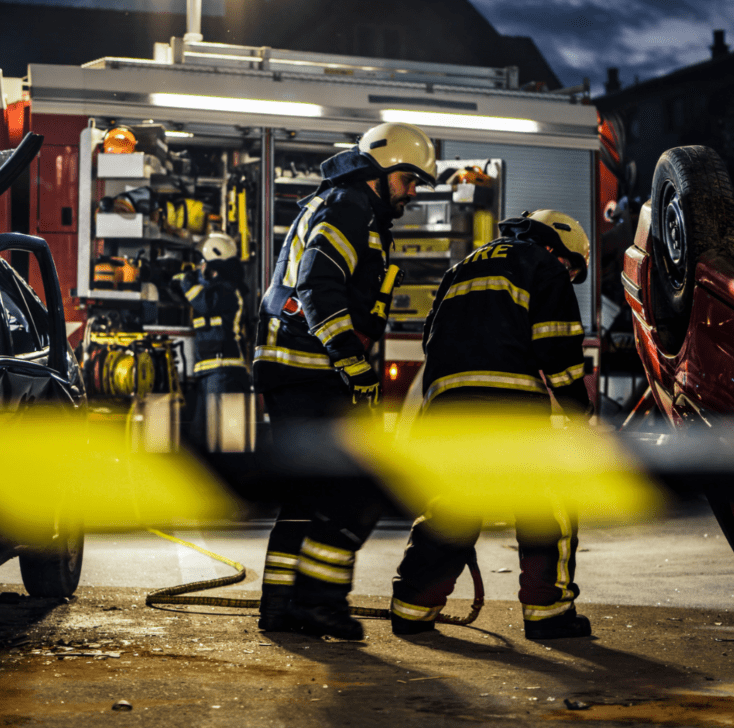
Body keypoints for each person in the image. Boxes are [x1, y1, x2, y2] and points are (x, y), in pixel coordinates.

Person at [252, 122, 437, 640]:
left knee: (308, 493)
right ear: (383, 171)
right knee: (356, 489)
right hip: (309, 369)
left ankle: (281, 608)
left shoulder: (351, 206)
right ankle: (319, 603)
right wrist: (353, 365)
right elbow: (317, 285)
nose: (414, 193)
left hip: (292, 367)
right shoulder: (349, 207)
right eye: (410, 181)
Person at [391, 209, 594, 640]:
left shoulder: (460, 268)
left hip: (447, 407)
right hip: (508, 407)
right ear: (560, 248)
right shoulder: (543, 265)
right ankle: (548, 613)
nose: (569, 274)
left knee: (454, 507)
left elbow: (431, 338)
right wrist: (578, 411)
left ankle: (411, 608)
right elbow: (557, 347)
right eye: (572, 267)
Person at [175, 231, 251, 449]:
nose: (200, 267)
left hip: (226, 373)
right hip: (212, 373)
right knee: (203, 439)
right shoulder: (216, 289)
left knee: (229, 443)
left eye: (202, 262)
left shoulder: (228, 290)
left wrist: (187, 281)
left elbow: (204, 302)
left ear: (213, 262)